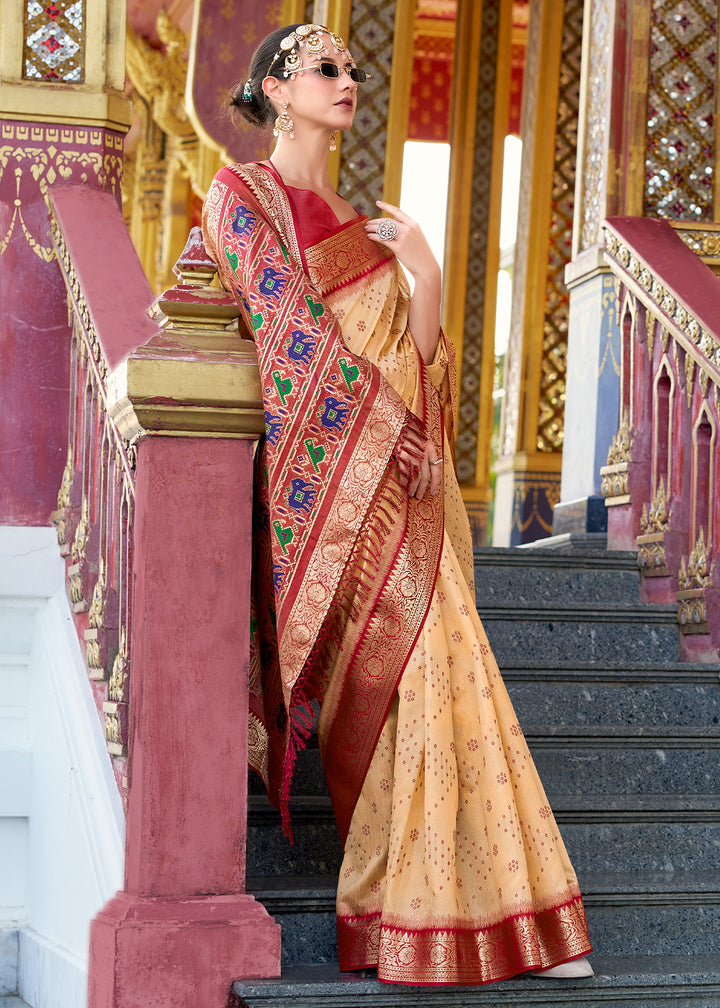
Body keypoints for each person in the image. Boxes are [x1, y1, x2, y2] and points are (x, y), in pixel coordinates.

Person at [201, 22, 593, 986]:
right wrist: (386, 430)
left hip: (398, 472)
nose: (347, 82)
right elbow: (288, 338)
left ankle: (485, 912)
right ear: (277, 89)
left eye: (351, 69)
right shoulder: (241, 197)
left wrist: (420, 268)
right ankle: (417, 908)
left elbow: (418, 354)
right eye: (325, 69)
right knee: (416, 672)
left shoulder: (360, 213)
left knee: (448, 664)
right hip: (333, 487)